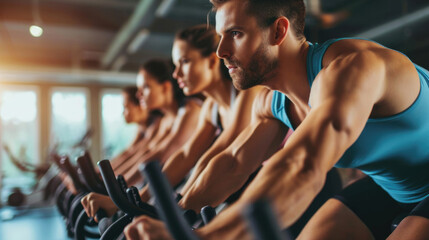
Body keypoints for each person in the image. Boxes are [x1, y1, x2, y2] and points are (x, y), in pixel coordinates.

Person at [124, 0, 429, 239]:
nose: (221, 51)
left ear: (278, 31)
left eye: (235, 34)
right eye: (220, 37)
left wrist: (212, 236)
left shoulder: (351, 69)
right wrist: (171, 219)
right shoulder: (273, 102)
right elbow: (232, 164)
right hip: (393, 187)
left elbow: (302, 166)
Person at [81, 58, 201, 220]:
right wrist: (109, 184)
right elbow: (142, 153)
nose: (139, 95)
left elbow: (161, 154)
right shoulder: (165, 120)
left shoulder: (190, 109)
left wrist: (115, 193)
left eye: (145, 87)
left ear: (165, 87)